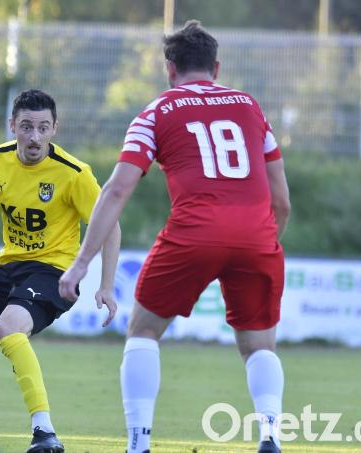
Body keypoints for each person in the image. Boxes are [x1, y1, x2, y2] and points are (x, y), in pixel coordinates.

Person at [58, 21, 291, 453]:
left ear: (170, 68)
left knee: (144, 331)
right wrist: (262, 242)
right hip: (258, 235)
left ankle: (138, 443)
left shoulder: (154, 112)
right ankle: (271, 436)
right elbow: (282, 199)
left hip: (194, 233)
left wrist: (82, 261)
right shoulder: (251, 108)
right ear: (216, 67)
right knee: (259, 345)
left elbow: (117, 189)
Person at [0, 89, 121, 453]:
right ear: (12, 125)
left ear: (55, 128)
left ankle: (45, 433)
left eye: (44, 127)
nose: (35, 137)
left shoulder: (75, 173)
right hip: (10, 268)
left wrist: (106, 285)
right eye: (26, 127)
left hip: (55, 271)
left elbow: (110, 226)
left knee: (8, 328)